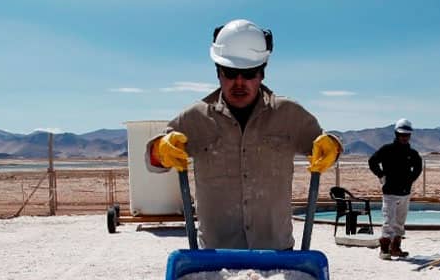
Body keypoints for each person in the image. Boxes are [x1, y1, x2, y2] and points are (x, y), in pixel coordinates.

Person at [146, 19, 342, 250]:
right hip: (215, 256)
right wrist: (160, 149)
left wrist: (333, 148)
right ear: (218, 72)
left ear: (262, 74)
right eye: (230, 73)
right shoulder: (195, 118)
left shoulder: (290, 115)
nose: (239, 82)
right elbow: (153, 162)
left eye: (248, 73)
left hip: (276, 253)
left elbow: (325, 147)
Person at [368, 119, 423, 259]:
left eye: (407, 135)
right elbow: (372, 161)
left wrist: (410, 179)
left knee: (400, 222)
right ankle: (384, 249)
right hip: (390, 192)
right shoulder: (387, 150)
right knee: (389, 221)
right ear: (396, 134)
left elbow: (418, 167)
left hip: (405, 193)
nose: (404, 137)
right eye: (402, 134)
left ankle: (396, 248)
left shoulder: (412, 153)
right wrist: (380, 175)